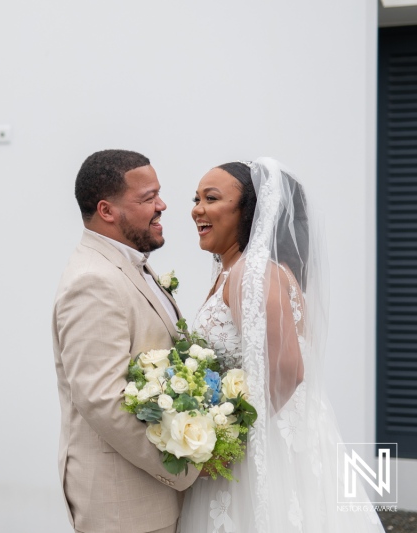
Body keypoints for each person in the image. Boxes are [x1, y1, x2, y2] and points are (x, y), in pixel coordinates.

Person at [177, 158, 384, 532]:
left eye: (211, 198)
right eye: (196, 199)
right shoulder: (241, 270)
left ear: (249, 212)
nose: (197, 209)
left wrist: (229, 442)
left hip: (265, 450)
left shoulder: (252, 273)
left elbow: (288, 368)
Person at [52, 149, 200, 533]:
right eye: (147, 198)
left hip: (151, 498)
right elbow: (103, 398)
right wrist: (184, 463)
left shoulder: (130, 264)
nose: (162, 205)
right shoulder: (93, 281)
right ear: (107, 211)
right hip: (124, 505)